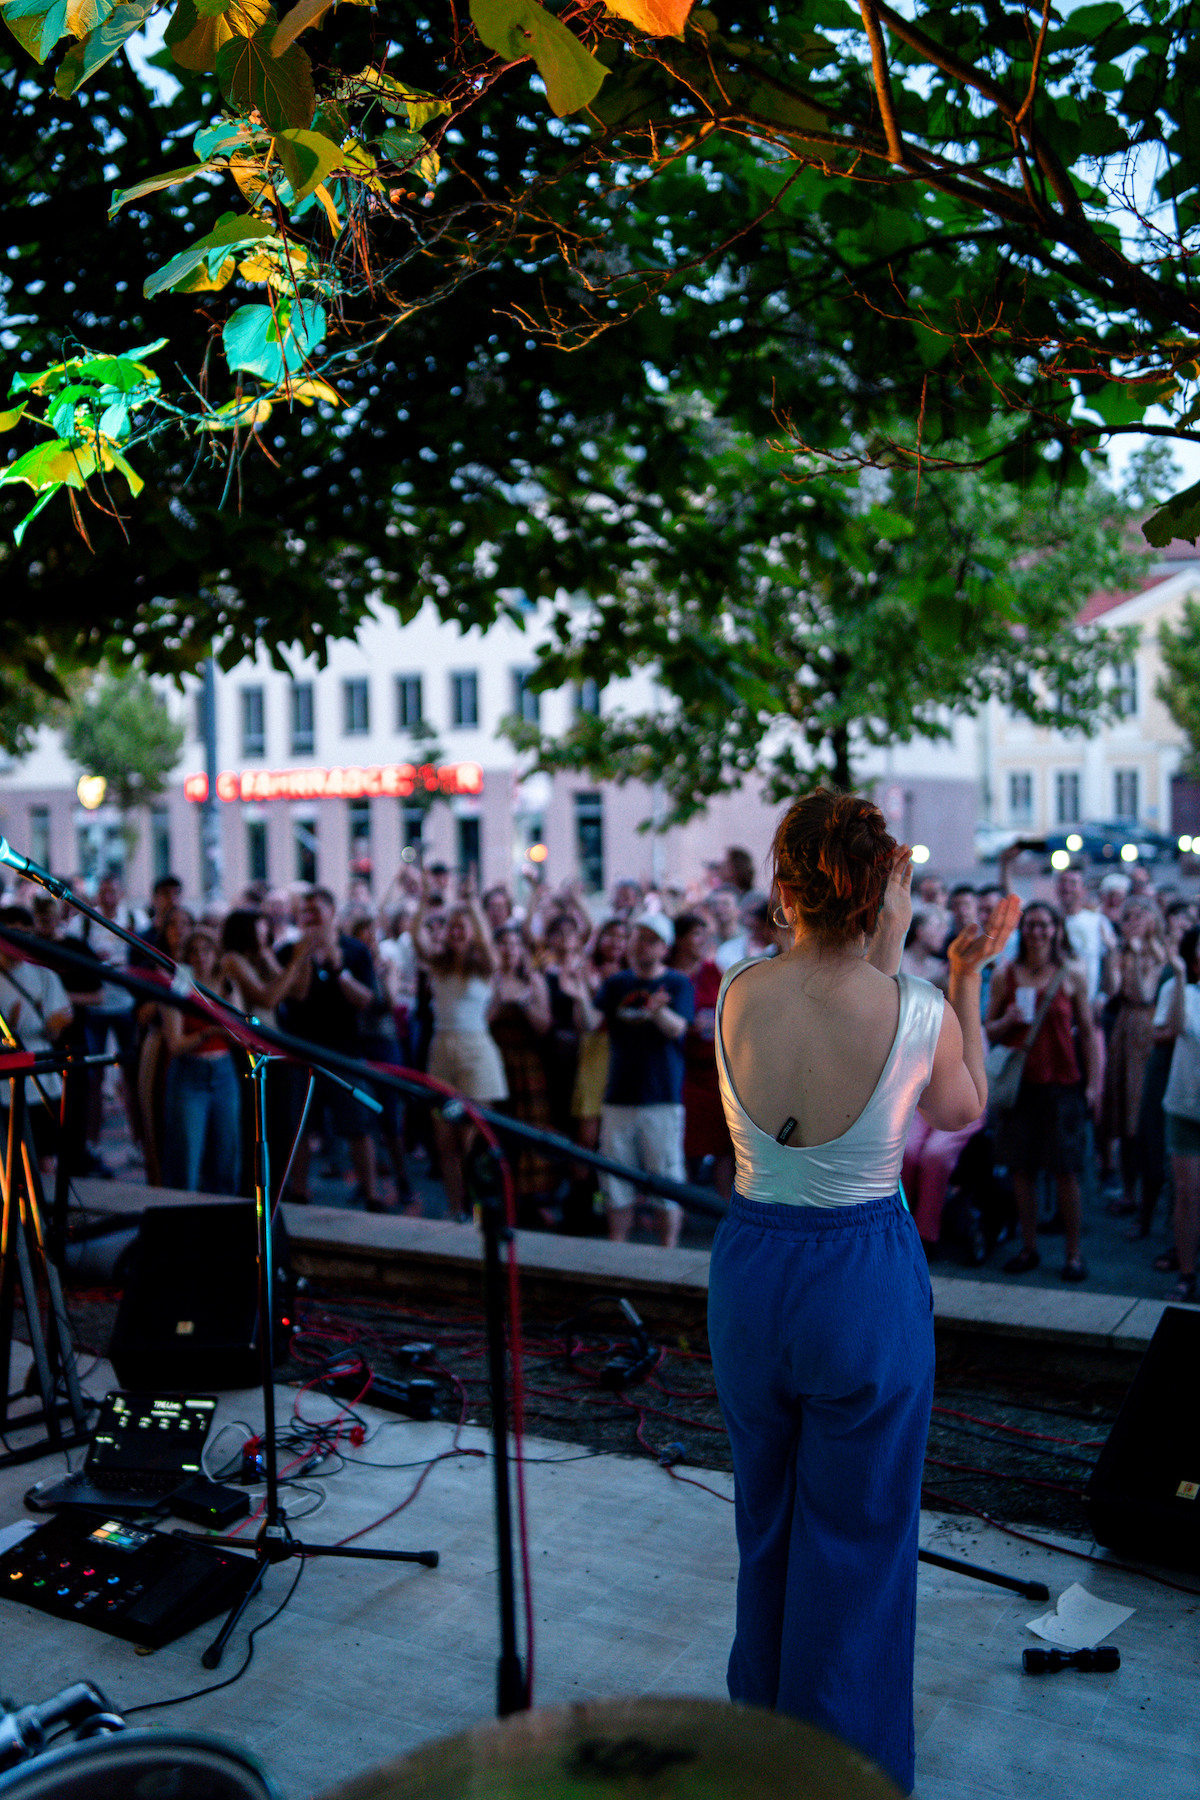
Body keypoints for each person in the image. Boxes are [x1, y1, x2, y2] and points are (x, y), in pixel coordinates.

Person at [706, 788, 1018, 1795]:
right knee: (860, 1539)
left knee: (770, 1524)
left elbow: (823, 999)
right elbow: (963, 1106)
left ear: (787, 883)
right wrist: (962, 976)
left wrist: (885, 932)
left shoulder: (736, 989)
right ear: (882, 885)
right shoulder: (917, 1005)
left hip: (752, 1273)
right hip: (858, 1281)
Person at [986, 902, 1100, 1280]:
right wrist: (1008, 1020)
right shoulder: (1007, 974)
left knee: (1066, 1171)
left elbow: (1087, 1031)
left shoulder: (1071, 974)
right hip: (1021, 1086)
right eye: (1031, 925)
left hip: (1062, 1084)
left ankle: (1073, 1253)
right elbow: (987, 1030)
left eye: (1045, 925)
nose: (1037, 932)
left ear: (1056, 930)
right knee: (1022, 1170)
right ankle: (1029, 1247)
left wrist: (1095, 1084)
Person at [588, 911, 694, 1248]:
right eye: (638, 937)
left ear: (664, 948)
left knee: (665, 1182)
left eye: (651, 940)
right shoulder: (617, 983)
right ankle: (616, 1250)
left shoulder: (677, 983)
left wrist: (657, 1010)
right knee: (615, 1183)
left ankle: (668, 1255)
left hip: (660, 1097)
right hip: (618, 1095)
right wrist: (577, 987)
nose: (642, 945)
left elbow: (679, 1028)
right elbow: (590, 1024)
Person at [276, 888, 383, 1209]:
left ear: (332, 911)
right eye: (303, 911)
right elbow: (297, 996)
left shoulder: (355, 951)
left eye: (316, 910)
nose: (309, 916)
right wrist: (305, 956)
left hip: (344, 1053)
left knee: (357, 1126)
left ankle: (372, 1192)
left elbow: (365, 1000)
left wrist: (338, 968)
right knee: (299, 1128)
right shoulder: (287, 951)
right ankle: (299, 1190)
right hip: (299, 1052)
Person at [413, 871, 506, 1222]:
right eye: (452, 927)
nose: (456, 932)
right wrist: (424, 902)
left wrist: (470, 903)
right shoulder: (436, 964)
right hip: (442, 1048)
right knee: (445, 1140)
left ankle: (479, 1207)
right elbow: (417, 937)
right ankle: (455, 1207)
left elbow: (485, 936)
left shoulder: (484, 965)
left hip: (476, 1049)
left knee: (474, 1138)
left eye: (462, 927)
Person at [160, 927, 242, 1195]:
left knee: (226, 1156)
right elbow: (175, 1044)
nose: (200, 957)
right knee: (187, 1159)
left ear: (216, 953)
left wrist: (226, 1030)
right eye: (193, 951)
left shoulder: (226, 984)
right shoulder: (179, 985)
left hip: (223, 1072)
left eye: (206, 950)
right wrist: (210, 1032)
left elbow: (241, 1032)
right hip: (190, 1073)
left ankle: (224, 1220)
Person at [1100, 896, 1166, 1217]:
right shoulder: (1121, 952)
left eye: (1140, 916)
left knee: (1141, 1110)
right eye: (1128, 917)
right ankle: (1128, 1190)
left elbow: (1145, 994)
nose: (1133, 922)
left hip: (1146, 1027)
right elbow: (1111, 991)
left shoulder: (1159, 953)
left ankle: (1147, 1192)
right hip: (1124, 1028)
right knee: (1122, 1109)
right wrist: (1114, 955)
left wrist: (1138, 955)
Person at [488, 923, 557, 1214]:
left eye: (515, 944)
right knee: (497, 1132)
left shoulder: (534, 981)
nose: (509, 950)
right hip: (494, 1061)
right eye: (503, 943)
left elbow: (545, 1027)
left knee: (531, 1130)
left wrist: (523, 1005)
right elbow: (481, 1022)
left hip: (527, 1064)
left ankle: (534, 1200)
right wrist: (501, 1001)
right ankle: (502, 1197)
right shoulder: (489, 980)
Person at [0, 903, 73, 1169]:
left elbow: (54, 1031)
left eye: (25, 933)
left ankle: (48, 1207)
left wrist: (55, 1025)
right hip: (3, 1083)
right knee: (8, 1159)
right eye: (12, 932)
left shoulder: (44, 976)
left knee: (45, 1157)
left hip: (39, 1078)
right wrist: (11, 1028)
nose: (19, 940)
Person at [670, 910, 735, 1199]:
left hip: (713, 1070)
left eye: (705, 934)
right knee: (681, 1142)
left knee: (723, 1143)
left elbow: (729, 1006)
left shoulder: (713, 971)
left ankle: (722, 1207)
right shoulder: (667, 974)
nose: (702, 940)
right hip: (680, 1068)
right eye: (696, 934)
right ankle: (676, 1209)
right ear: (679, 939)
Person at [1153, 926, 1200, 1302]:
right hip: (1185, 1105)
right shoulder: (1178, 990)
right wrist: (1181, 974)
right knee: (1187, 1194)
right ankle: (1187, 1272)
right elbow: (1177, 1027)